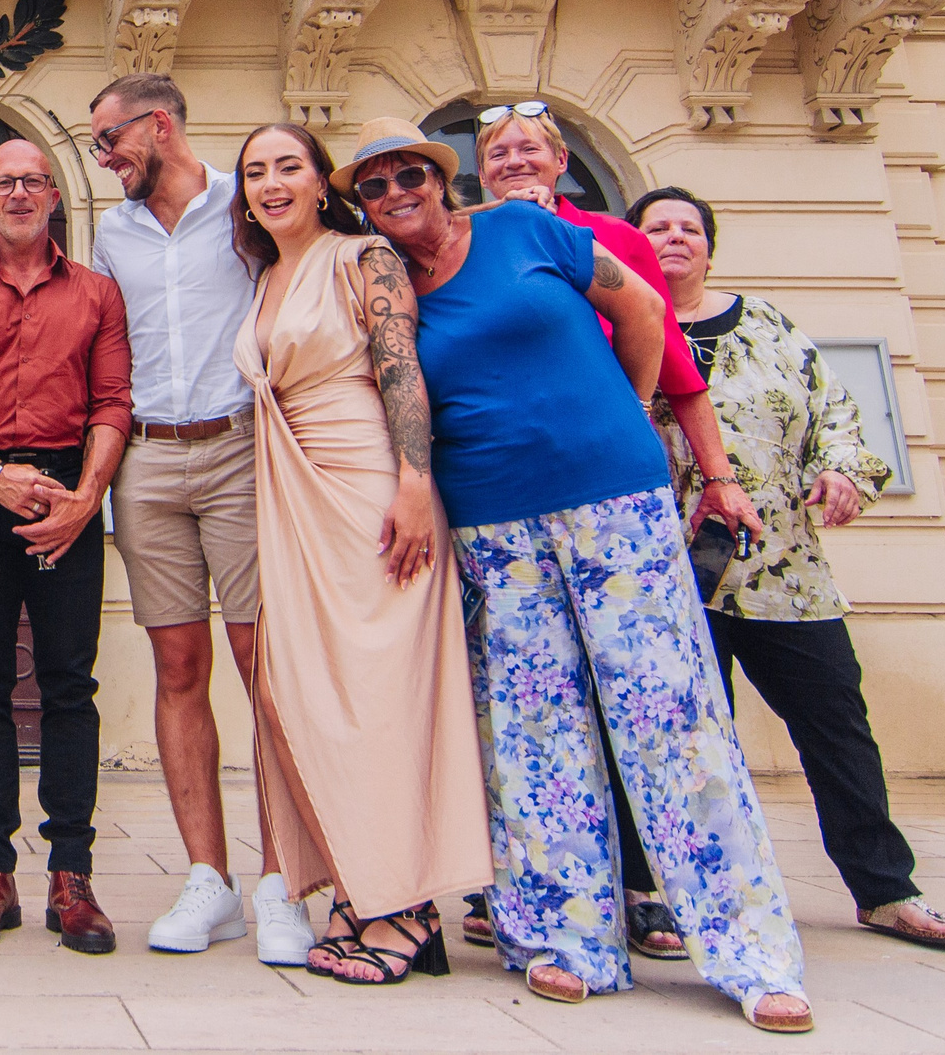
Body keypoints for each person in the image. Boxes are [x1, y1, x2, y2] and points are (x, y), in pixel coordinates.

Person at [345, 116, 813, 1033]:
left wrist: (625, 412)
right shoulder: (389, 288)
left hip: (614, 497)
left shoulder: (523, 229)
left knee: (670, 717)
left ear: (441, 177)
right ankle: (566, 939)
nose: (396, 192)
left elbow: (642, 313)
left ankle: (750, 953)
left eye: (410, 174)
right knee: (534, 730)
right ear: (361, 204)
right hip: (491, 521)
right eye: (374, 185)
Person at [631, 184, 945, 949]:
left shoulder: (770, 328)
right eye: (657, 228)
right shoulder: (624, 326)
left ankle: (886, 889)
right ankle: (670, 893)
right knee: (680, 741)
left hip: (784, 573)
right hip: (672, 573)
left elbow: (834, 416)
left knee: (838, 733)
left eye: (689, 228)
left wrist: (844, 471)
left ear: (709, 248)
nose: (675, 237)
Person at [470, 100, 759, 960]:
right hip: (501, 504)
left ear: (560, 161)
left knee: (643, 696)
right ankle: (527, 893)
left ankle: (653, 889)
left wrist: (713, 473)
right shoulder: (464, 242)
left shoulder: (610, 239)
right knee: (529, 707)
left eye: (529, 148)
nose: (514, 161)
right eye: (497, 152)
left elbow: (675, 370)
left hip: (608, 491)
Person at [231, 123, 492, 985]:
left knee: (381, 699)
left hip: (369, 485)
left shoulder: (363, 255)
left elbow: (399, 366)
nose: (272, 183)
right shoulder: (264, 275)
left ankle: (404, 906)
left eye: (289, 167)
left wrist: (414, 484)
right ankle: (359, 886)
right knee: (302, 697)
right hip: (294, 495)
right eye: (256, 172)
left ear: (320, 183)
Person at [0, 141, 132, 956]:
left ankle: (72, 874)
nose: (17, 193)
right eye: (2, 182)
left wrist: (84, 500)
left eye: (32, 181)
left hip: (71, 487)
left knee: (70, 684)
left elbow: (113, 402)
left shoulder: (98, 292)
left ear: (53, 196)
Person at [84, 75, 272, 958]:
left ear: (159, 125)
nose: (103, 158)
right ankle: (210, 881)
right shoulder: (111, 232)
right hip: (148, 460)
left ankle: (285, 876)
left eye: (109, 139)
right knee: (178, 664)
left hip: (240, 449)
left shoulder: (248, 206)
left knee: (264, 663)